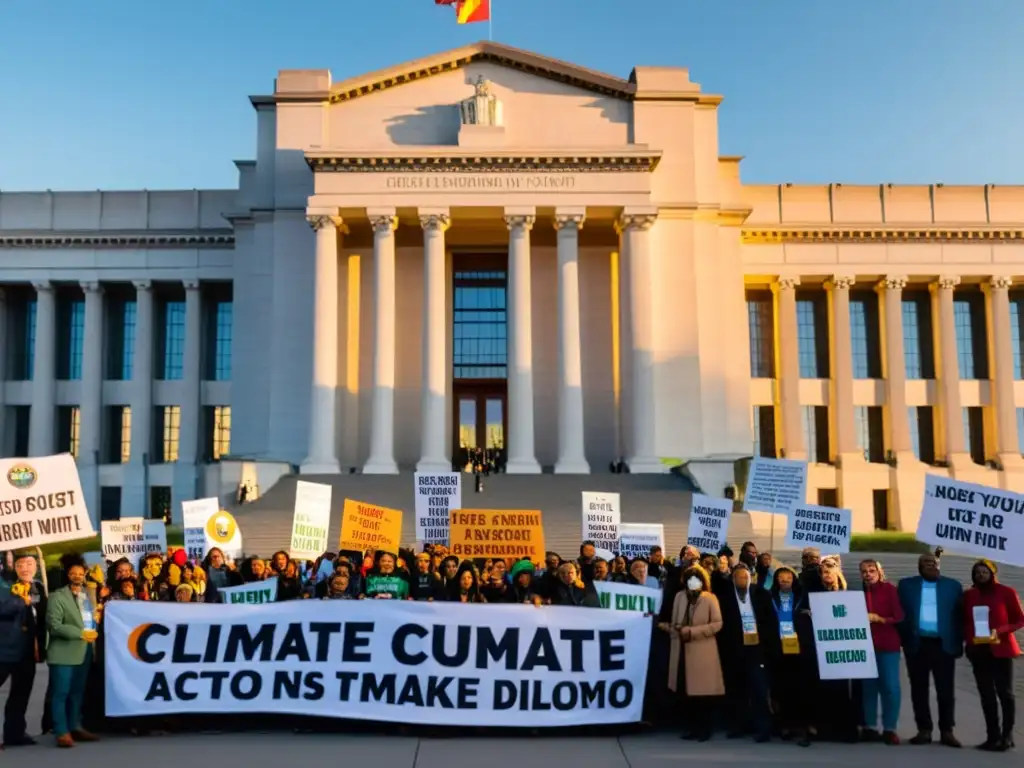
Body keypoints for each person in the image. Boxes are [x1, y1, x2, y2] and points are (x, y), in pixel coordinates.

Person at [897, 552, 963, 748]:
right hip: (917, 644)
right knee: (919, 689)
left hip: (942, 645)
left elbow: (960, 617)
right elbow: (900, 613)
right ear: (919, 566)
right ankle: (924, 730)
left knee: (945, 690)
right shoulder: (906, 586)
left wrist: (959, 641)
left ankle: (947, 731)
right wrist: (903, 637)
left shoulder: (953, 586)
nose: (931, 565)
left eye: (934, 563)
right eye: (926, 563)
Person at [962, 558, 1023, 752]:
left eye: (984, 572)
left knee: (1005, 694)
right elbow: (964, 621)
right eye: (977, 572)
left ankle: (1007, 736)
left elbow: (1019, 620)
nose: (981, 575)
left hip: (1001, 649)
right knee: (986, 695)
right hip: (978, 651)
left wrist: (1001, 630)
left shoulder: (1006, 592)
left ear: (992, 573)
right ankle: (992, 736)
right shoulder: (969, 595)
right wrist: (969, 642)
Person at [662, 565, 723, 742]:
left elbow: (717, 624)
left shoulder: (710, 598)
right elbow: (675, 620)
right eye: (689, 578)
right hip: (680, 649)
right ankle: (692, 728)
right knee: (686, 692)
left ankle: (705, 729)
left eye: (696, 578)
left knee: (703, 694)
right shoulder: (679, 596)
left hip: (702, 650)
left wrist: (692, 632)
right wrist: (671, 628)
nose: (692, 581)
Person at [46, 555, 100, 748]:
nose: (77, 576)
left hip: (85, 651)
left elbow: (92, 618)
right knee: (61, 693)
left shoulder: (88, 595)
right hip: (64, 653)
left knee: (77, 692)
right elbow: (54, 626)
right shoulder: (57, 597)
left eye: (80, 573)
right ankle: (61, 731)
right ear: (67, 575)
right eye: (73, 573)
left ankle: (75, 725)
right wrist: (80, 633)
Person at [717, 563, 771, 742]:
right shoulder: (725, 597)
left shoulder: (761, 594)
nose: (743, 580)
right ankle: (738, 726)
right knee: (736, 691)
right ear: (733, 579)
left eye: (745, 577)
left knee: (759, 691)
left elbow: (769, 620)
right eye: (739, 577)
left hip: (756, 650)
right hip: (735, 650)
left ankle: (763, 729)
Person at [761, 565, 813, 746]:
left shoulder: (802, 597)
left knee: (799, 689)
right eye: (781, 579)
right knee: (780, 690)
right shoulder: (769, 597)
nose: (785, 582)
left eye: (788, 579)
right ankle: (784, 725)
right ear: (776, 581)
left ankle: (802, 726)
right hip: (778, 648)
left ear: (793, 580)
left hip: (799, 649)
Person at [1, 552, 46, 747]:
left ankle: (15, 733)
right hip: (6, 647)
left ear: (36, 566)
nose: (25, 568)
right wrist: (20, 601)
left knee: (21, 694)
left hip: (28, 650)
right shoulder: (5, 586)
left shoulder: (39, 587)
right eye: (20, 565)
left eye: (29, 564)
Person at [860, 559, 904, 745]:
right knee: (869, 688)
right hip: (865, 646)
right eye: (864, 571)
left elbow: (899, 616)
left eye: (871, 570)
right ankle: (870, 727)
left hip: (888, 645)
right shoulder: (859, 593)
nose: (868, 574)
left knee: (890, 687)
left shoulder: (890, 590)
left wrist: (880, 619)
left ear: (879, 571)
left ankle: (889, 728)